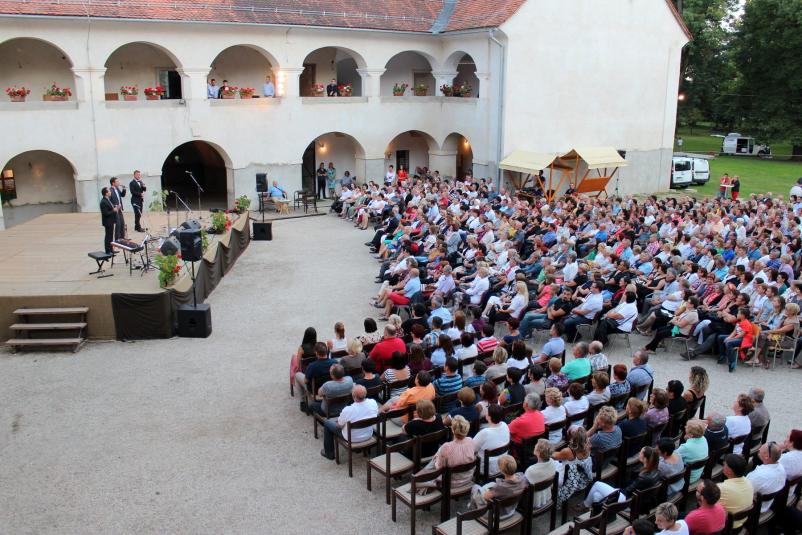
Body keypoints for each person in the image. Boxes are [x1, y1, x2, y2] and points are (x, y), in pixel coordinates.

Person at [584, 446, 661, 508]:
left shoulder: (643, 477)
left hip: (626, 500)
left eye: (641, 452)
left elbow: (628, 491)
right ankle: (594, 511)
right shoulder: (656, 472)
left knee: (597, 484)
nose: (639, 453)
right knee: (596, 495)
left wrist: (615, 489)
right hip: (633, 498)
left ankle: (585, 505)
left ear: (645, 458)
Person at [320, 384, 378, 460]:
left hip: (352, 438)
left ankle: (329, 453)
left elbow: (339, 425)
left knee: (328, 423)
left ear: (353, 396)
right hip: (368, 434)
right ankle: (358, 449)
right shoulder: (373, 403)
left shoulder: (348, 410)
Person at [468, 454, 528, 518]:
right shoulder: (523, 479)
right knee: (491, 484)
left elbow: (485, 497)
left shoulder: (499, 487)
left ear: (501, 470)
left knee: (475, 488)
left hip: (496, 515)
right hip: (511, 511)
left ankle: (473, 512)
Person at [747, 441, 786, 513]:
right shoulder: (782, 469)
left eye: (761, 449)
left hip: (753, 509)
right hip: (768, 505)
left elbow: (745, 491)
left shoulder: (758, 475)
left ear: (766, 456)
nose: (759, 450)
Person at [718, 454, 754, 529]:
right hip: (742, 521)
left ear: (730, 471)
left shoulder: (722, 488)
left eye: (724, 465)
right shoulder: (749, 482)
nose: (723, 466)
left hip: (726, 525)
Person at [473, 404, 510, 476]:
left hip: (486, 469)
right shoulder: (505, 425)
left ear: (489, 417)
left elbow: (471, 449)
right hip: (503, 465)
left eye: (487, 412)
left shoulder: (485, 433)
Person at [525, 439, 557, 507]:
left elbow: (524, 488)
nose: (534, 446)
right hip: (547, 496)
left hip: (533, 502)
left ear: (539, 452)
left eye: (536, 446)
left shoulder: (531, 470)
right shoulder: (552, 462)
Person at [676, 419, 709, 484]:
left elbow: (672, 456)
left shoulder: (686, 447)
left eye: (687, 428)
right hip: (698, 473)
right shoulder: (704, 439)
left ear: (691, 435)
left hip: (687, 478)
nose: (685, 428)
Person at [99, 187, 116, 254]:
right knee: (108, 236)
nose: (110, 192)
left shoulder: (108, 200)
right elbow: (105, 213)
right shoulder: (103, 202)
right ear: (106, 193)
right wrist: (113, 210)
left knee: (111, 236)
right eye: (109, 191)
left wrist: (115, 207)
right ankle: (108, 250)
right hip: (107, 222)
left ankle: (111, 249)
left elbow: (110, 208)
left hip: (111, 221)